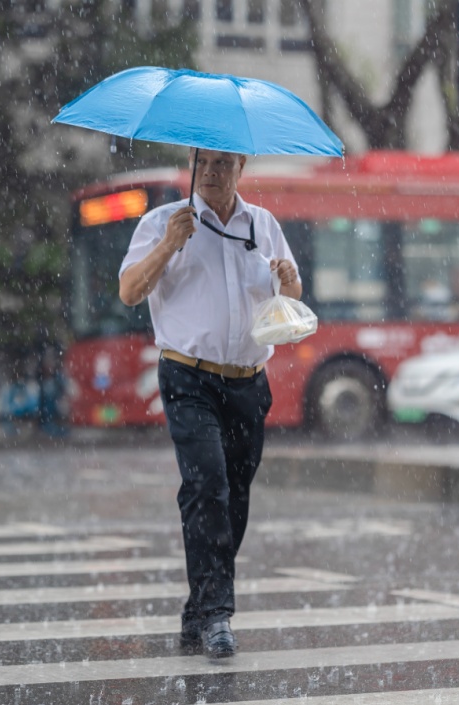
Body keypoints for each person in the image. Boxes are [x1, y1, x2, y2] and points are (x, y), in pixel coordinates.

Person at [117, 149, 302, 659]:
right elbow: (130, 291)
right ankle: (218, 614)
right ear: (193, 167)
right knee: (208, 486)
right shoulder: (163, 222)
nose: (213, 173)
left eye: (224, 163)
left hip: (248, 382)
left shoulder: (263, 225)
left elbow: (291, 292)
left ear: (242, 167)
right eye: (205, 164)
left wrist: (288, 282)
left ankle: (198, 606)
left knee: (234, 496)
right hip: (187, 376)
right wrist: (170, 246)